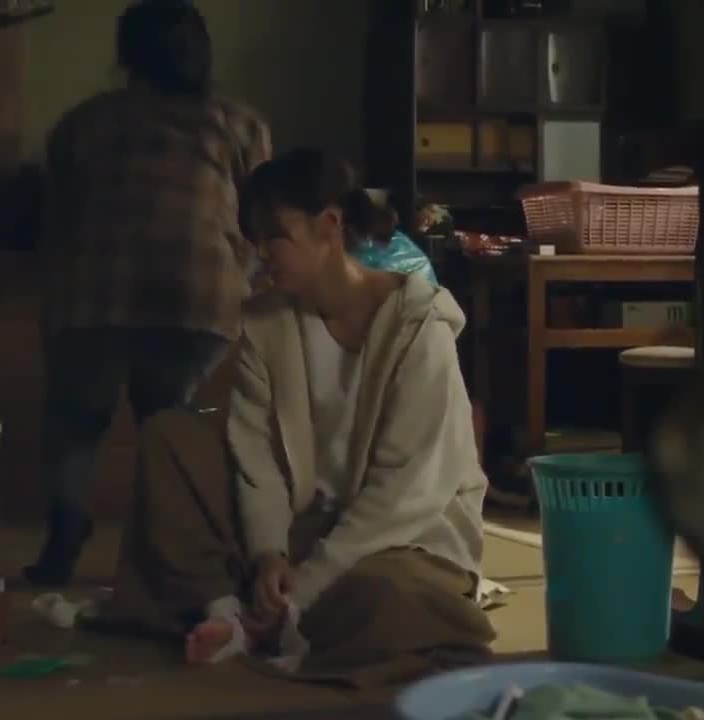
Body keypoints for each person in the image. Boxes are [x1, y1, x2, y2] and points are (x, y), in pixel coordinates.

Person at [99, 148, 495, 684]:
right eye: (255, 240)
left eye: (275, 237)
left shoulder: (419, 329)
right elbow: (256, 457)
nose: (262, 254)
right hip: (305, 524)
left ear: (328, 226)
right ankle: (230, 613)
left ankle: (277, 620)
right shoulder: (266, 324)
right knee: (171, 438)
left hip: (402, 536)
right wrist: (269, 554)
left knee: (388, 599)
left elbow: (406, 492)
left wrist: (305, 585)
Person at [25, 0, 272, 587]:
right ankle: (172, 547)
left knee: (76, 422)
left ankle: (66, 529)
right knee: (168, 425)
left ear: (126, 55)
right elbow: (262, 218)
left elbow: (56, 221)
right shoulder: (239, 125)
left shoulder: (83, 123)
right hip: (199, 293)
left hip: (94, 294)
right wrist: (248, 274)